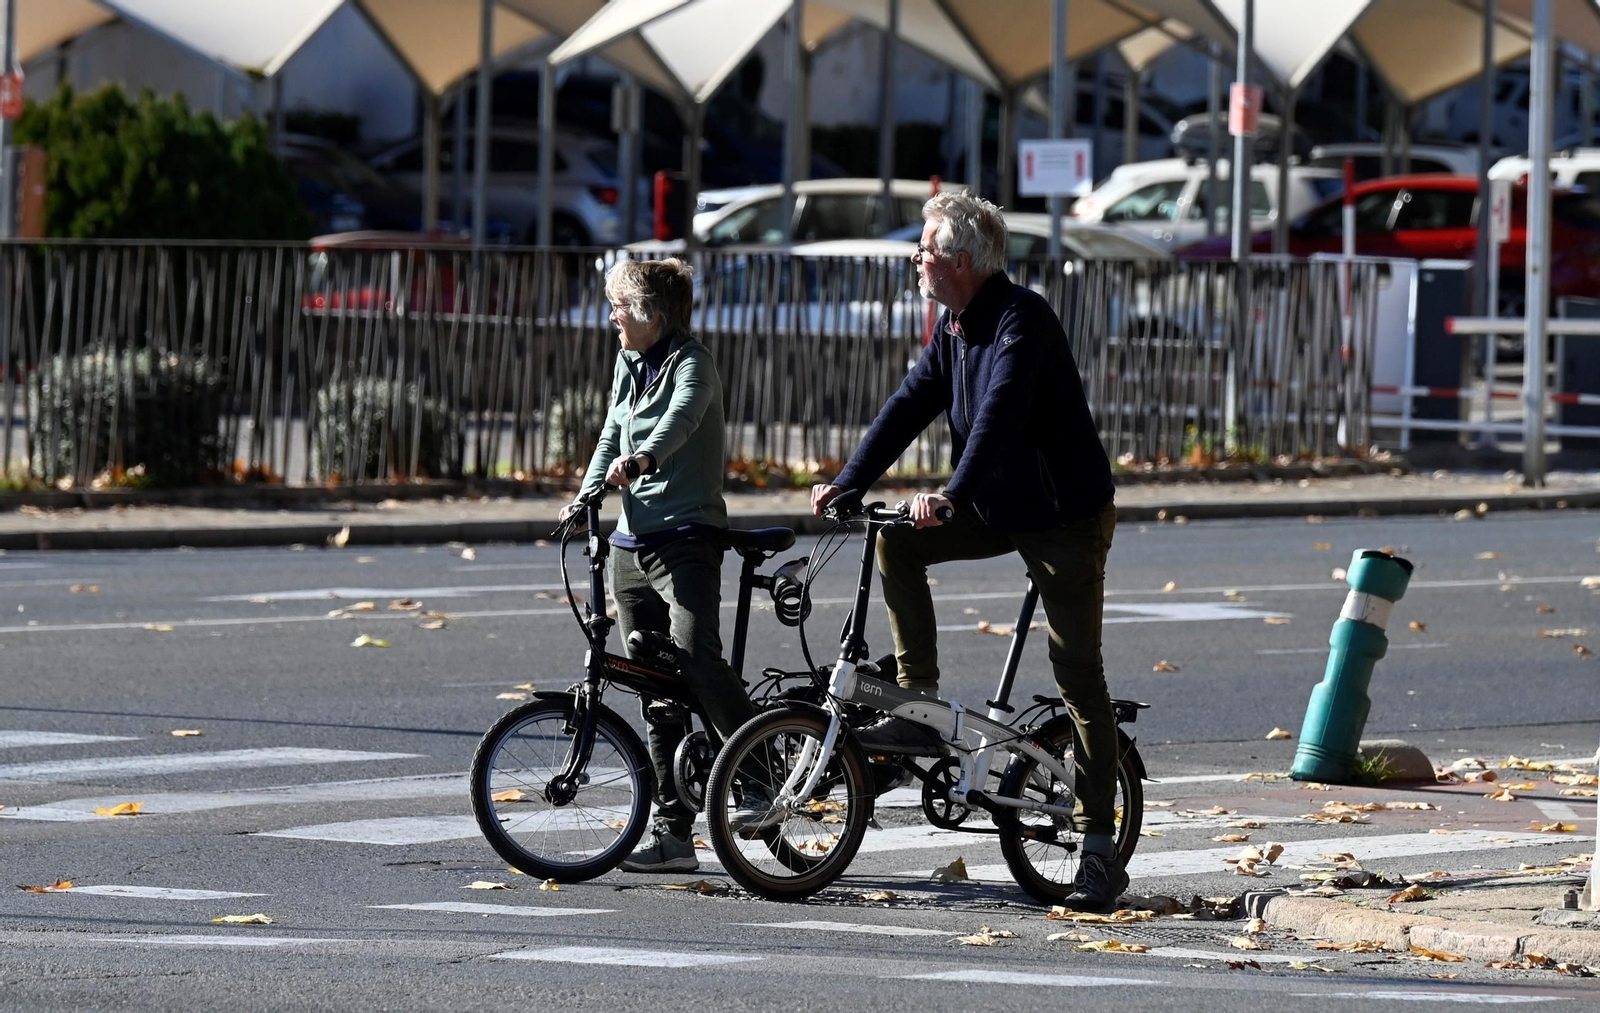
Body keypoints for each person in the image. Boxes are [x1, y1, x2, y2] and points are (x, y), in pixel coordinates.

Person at [810, 191, 1124, 911]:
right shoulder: (953, 327)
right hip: (996, 506)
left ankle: (1100, 850)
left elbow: (1000, 416)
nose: (915, 257)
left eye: (923, 247)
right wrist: (849, 480)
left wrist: (950, 492)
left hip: (1064, 516)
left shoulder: (1022, 320)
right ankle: (917, 696)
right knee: (895, 540)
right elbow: (908, 403)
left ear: (958, 260)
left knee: (1078, 673)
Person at [563, 257, 758, 873]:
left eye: (621, 306)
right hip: (631, 546)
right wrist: (586, 496)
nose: (613, 316)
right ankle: (674, 837)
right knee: (655, 692)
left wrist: (643, 461)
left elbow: (681, 421)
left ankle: (756, 771)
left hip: (687, 540)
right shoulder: (629, 363)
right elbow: (607, 434)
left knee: (697, 654)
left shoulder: (693, 363)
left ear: (654, 314)